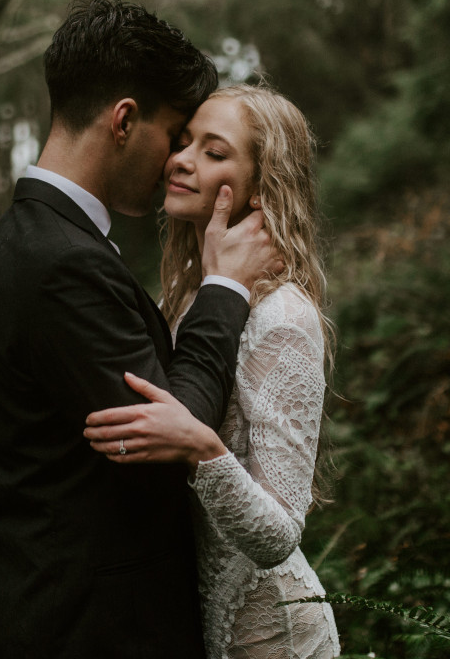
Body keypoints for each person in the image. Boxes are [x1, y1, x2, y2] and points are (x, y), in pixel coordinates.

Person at [0, 0, 281, 658]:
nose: (175, 161)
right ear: (125, 121)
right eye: (174, 136)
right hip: (87, 633)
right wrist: (225, 288)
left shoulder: (21, 242)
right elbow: (169, 432)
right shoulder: (60, 262)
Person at [85, 84, 341, 659]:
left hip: (275, 636)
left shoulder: (282, 315)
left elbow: (279, 534)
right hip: (195, 625)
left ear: (262, 182)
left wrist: (203, 451)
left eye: (214, 151)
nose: (181, 159)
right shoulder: (187, 298)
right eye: (184, 143)